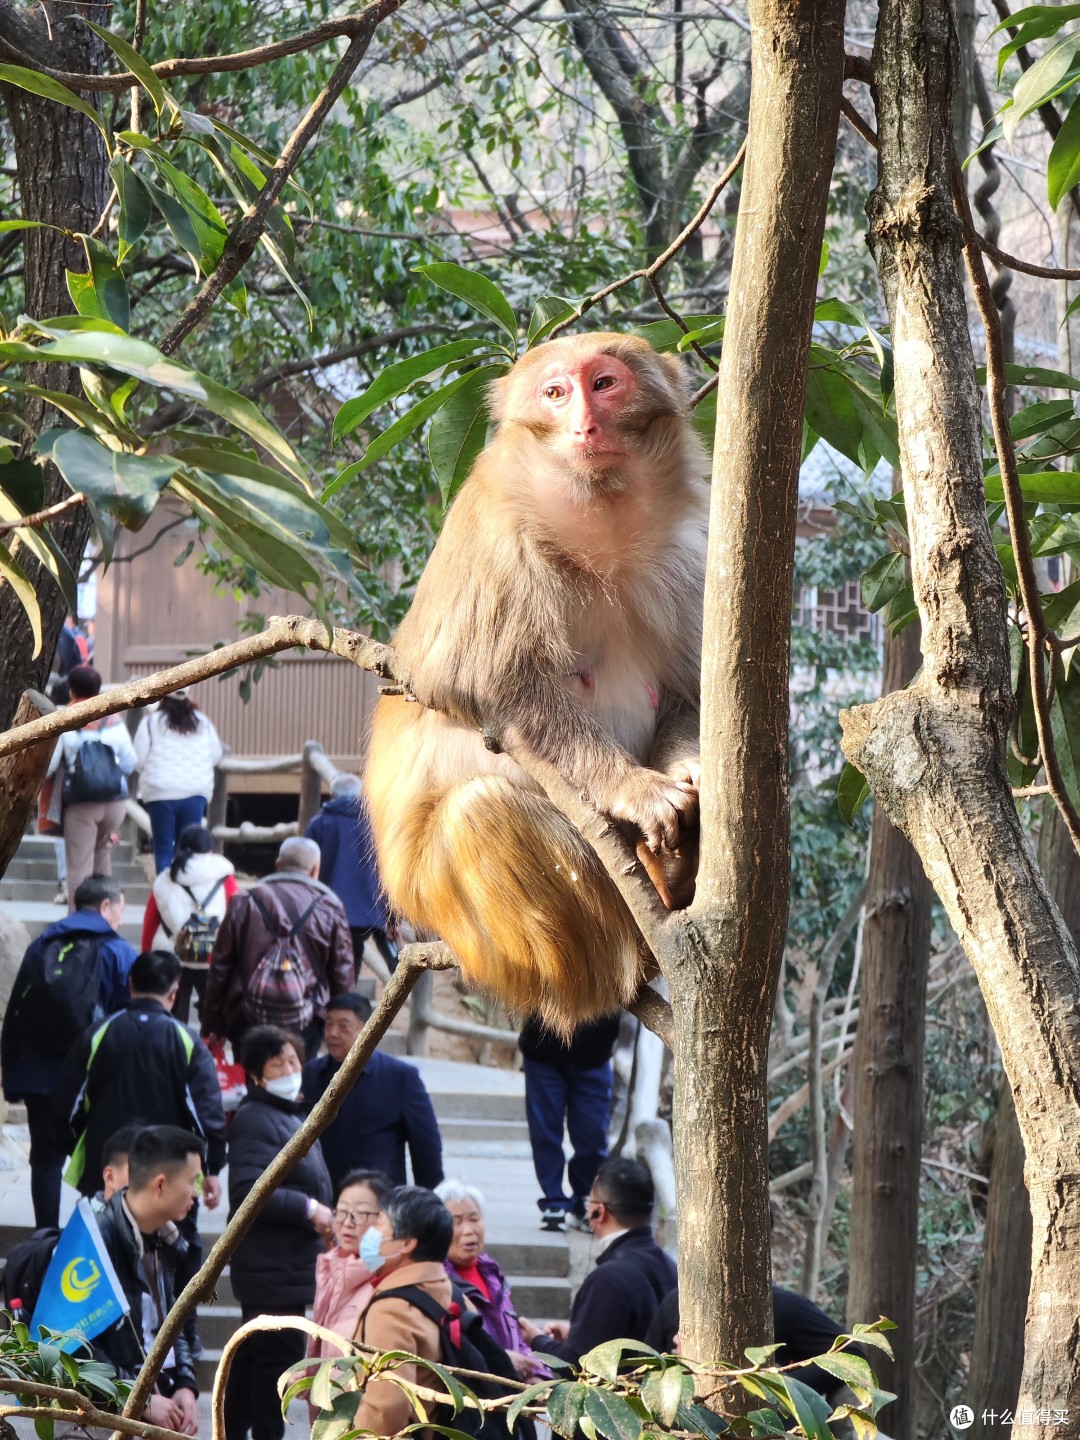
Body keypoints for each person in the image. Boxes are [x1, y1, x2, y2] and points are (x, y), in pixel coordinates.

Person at [0, 874, 137, 1228]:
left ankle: (46, 1237)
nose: (120, 920)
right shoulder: (118, 952)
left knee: (45, 1160)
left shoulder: (42, 945)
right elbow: (130, 1022)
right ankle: (92, 1241)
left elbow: (16, 1011)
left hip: (39, 1077)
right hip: (94, 1079)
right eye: (119, 911)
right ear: (106, 906)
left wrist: (13, 1074)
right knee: (98, 1161)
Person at [224, 1024, 334, 1440]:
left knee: (255, 1360)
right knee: (277, 1364)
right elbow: (250, 1192)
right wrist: (310, 1208)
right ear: (256, 1075)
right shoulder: (257, 1118)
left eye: (293, 1060)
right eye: (278, 1063)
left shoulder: (286, 1113)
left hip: (283, 1264)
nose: (290, 1069)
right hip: (272, 1268)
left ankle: (229, 1430)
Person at [54, 949, 226, 1205]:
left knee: (107, 1240)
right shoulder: (187, 1041)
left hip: (106, 1168)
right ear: (174, 992)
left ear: (131, 983)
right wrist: (211, 1168)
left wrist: (82, 1148)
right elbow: (207, 1113)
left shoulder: (99, 1033)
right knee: (174, 1242)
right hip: (170, 1173)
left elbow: (67, 1105)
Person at [91, 1125, 203, 1434]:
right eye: (192, 1181)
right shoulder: (95, 1240)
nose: (196, 1193)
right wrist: (137, 1397)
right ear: (160, 1184)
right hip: (107, 1416)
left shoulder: (170, 1239)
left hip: (157, 1394)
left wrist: (185, 1383)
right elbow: (73, 1343)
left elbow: (173, 1321)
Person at [202, 835, 355, 1060]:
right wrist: (342, 1024)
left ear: (277, 865)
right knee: (297, 1082)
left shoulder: (245, 900)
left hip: (246, 1014)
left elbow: (221, 965)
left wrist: (213, 1023)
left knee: (252, 1079)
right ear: (315, 869)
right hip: (307, 1018)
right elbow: (342, 973)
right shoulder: (329, 906)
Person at [520, 1157, 676, 1365]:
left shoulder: (608, 1279)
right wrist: (577, 1333)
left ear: (599, 1212)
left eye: (589, 1202)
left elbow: (580, 1365)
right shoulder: (669, 1265)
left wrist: (537, 1340)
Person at [301, 992, 443, 1189]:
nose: (332, 1033)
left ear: (366, 1030)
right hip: (321, 1196)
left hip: (377, 1198)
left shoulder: (400, 1077)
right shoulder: (312, 1073)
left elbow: (425, 1147)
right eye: (328, 1024)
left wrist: (429, 1200)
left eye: (344, 1026)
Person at [352, 1185, 457, 1437]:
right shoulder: (449, 1289)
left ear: (407, 1243)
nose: (371, 1233)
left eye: (380, 1225)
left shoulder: (392, 1311)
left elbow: (386, 1410)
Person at [644, 1285, 854, 1401]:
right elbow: (644, 1372)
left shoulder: (783, 1306)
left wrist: (784, 1384)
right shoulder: (677, 1300)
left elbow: (850, 1355)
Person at [519, 1013, 620, 1232]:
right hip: (542, 1049)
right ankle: (553, 1200)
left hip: (595, 1053)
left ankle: (585, 1198)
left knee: (593, 1136)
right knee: (545, 1131)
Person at [48, 665, 136, 909]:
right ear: (98, 689)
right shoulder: (113, 718)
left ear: (71, 690)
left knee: (79, 865)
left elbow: (51, 765)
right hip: (115, 802)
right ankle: (107, 917)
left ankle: (79, 923)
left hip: (82, 802)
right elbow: (130, 762)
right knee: (102, 859)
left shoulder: (67, 719)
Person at [435, 1178, 537, 1378]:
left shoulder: (490, 1270)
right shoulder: (437, 1281)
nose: (469, 1230)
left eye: (474, 1219)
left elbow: (514, 1334)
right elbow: (452, 1350)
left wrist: (536, 1373)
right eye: (456, 1221)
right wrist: (501, 1360)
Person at [142, 824, 237, 1024]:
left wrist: (146, 956)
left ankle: (176, 1050)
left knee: (174, 1012)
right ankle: (208, 1050)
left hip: (172, 953)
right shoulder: (225, 878)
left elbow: (150, 923)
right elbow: (235, 918)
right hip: (213, 955)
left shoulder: (165, 879)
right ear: (210, 850)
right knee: (212, 1015)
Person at [304, 773, 397, 973]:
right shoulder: (375, 826)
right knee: (352, 959)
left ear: (331, 796)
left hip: (326, 910)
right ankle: (346, 999)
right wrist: (393, 918)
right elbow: (389, 874)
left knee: (324, 965)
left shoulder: (319, 824)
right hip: (367, 913)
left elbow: (306, 868)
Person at [133, 691, 225, 873]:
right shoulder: (201, 722)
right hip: (195, 791)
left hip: (161, 792)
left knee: (163, 848)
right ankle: (185, 893)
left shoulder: (151, 722)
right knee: (188, 848)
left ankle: (164, 897)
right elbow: (215, 754)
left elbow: (138, 759)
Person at [308, 1169, 392, 1366]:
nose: (347, 1223)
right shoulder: (332, 1269)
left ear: (385, 1219)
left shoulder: (387, 1276)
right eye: (342, 1212)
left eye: (361, 1214)